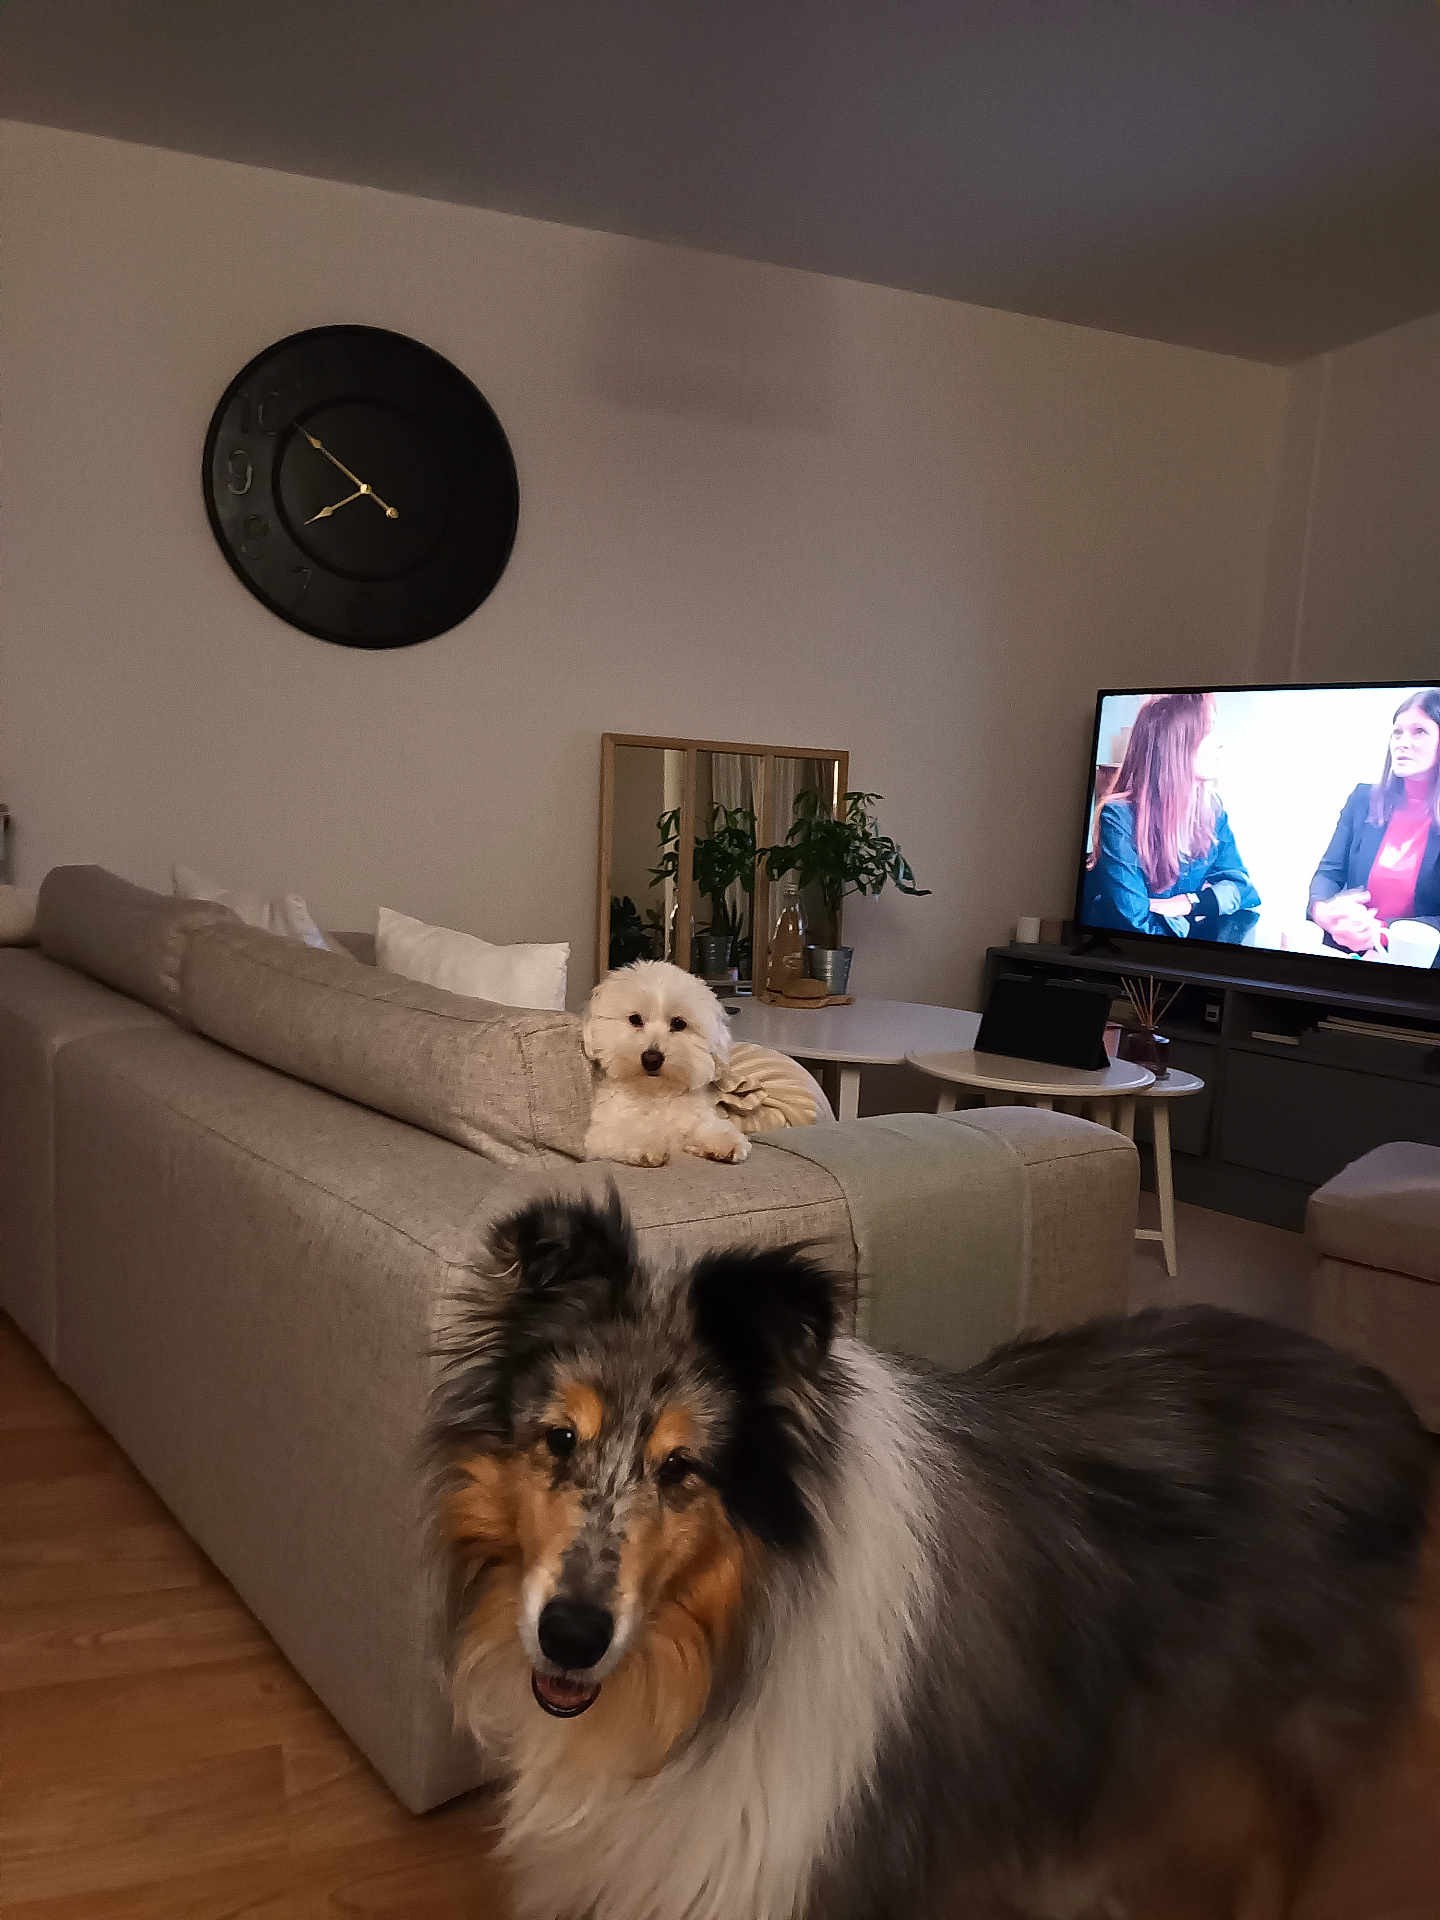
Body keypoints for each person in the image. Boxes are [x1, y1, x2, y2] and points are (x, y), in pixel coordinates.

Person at [1083, 691, 1259, 940]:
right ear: (1176, 746)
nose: (1220, 743)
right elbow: (1136, 923)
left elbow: (1243, 888)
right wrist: (1193, 921)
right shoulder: (1118, 817)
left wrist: (1188, 903)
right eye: (1208, 731)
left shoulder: (1211, 808)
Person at [1308, 688, 1440, 962]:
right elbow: (1328, 874)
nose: (1402, 742)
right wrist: (1325, 913)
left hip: (1417, 968)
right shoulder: (1363, 799)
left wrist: (1382, 933)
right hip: (1346, 952)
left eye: (1419, 731)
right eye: (1397, 732)